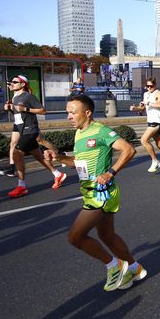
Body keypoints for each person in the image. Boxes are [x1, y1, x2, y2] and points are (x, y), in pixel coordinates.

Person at [43, 94, 145, 291]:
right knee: (107, 236)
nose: (69, 116)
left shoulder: (101, 131)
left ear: (87, 113)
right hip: (90, 191)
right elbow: (79, 165)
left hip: (101, 194)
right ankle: (135, 268)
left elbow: (129, 150)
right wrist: (59, 158)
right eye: (67, 113)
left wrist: (110, 172)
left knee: (75, 237)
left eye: (73, 112)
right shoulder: (79, 133)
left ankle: (115, 266)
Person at [2, 75, 67, 197]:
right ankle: (58, 174)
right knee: (39, 156)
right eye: (11, 82)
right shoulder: (15, 97)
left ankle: (21, 186)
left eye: (15, 82)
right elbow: (19, 114)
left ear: (22, 84)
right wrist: (9, 110)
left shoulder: (28, 96)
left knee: (17, 154)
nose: (12, 84)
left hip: (29, 129)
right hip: (20, 128)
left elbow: (43, 110)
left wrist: (25, 108)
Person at [130, 77, 160, 173]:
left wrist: (149, 102)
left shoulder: (158, 93)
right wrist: (135, 108)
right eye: (147, 86)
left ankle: (155, 161)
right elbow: (142, 108)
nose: (149, 88)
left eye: (150, 86)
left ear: (155, 85)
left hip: (157, 121)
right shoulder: (146, 94)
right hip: (150, 121)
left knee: (144, 140)